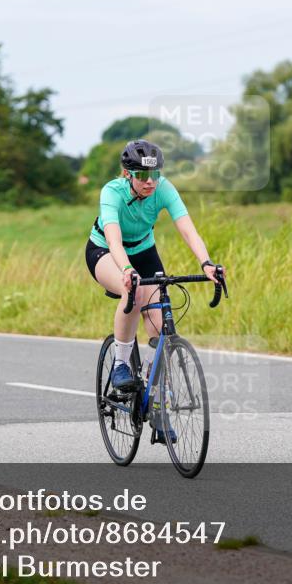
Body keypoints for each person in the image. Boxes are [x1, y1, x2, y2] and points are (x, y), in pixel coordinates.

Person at [85, 139, 224, 393]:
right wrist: (127, 270)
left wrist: (206, 263)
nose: (150, 181)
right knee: (134, 292)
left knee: (160, 317)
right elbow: (114, 239)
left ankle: (155, 384)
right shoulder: (112, 192)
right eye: (142, 175)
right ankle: (121, 364)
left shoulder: (164, 189)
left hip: (143, 250)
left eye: (155, 174)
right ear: (128, 174)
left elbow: (188, 230)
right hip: (105, 250)